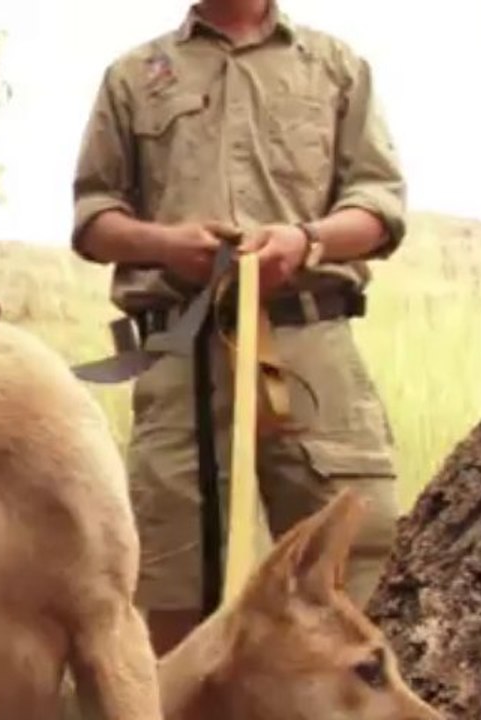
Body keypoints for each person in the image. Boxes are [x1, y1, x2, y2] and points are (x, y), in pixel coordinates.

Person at [69, 0, 407, 656]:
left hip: (310, 347)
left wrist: (303, 242)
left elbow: (379, 206)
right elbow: (91, 217)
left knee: (351, 569)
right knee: (169, 573)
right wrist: (166, 245)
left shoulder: (335, 66)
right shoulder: (134, 75)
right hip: (181, 354)